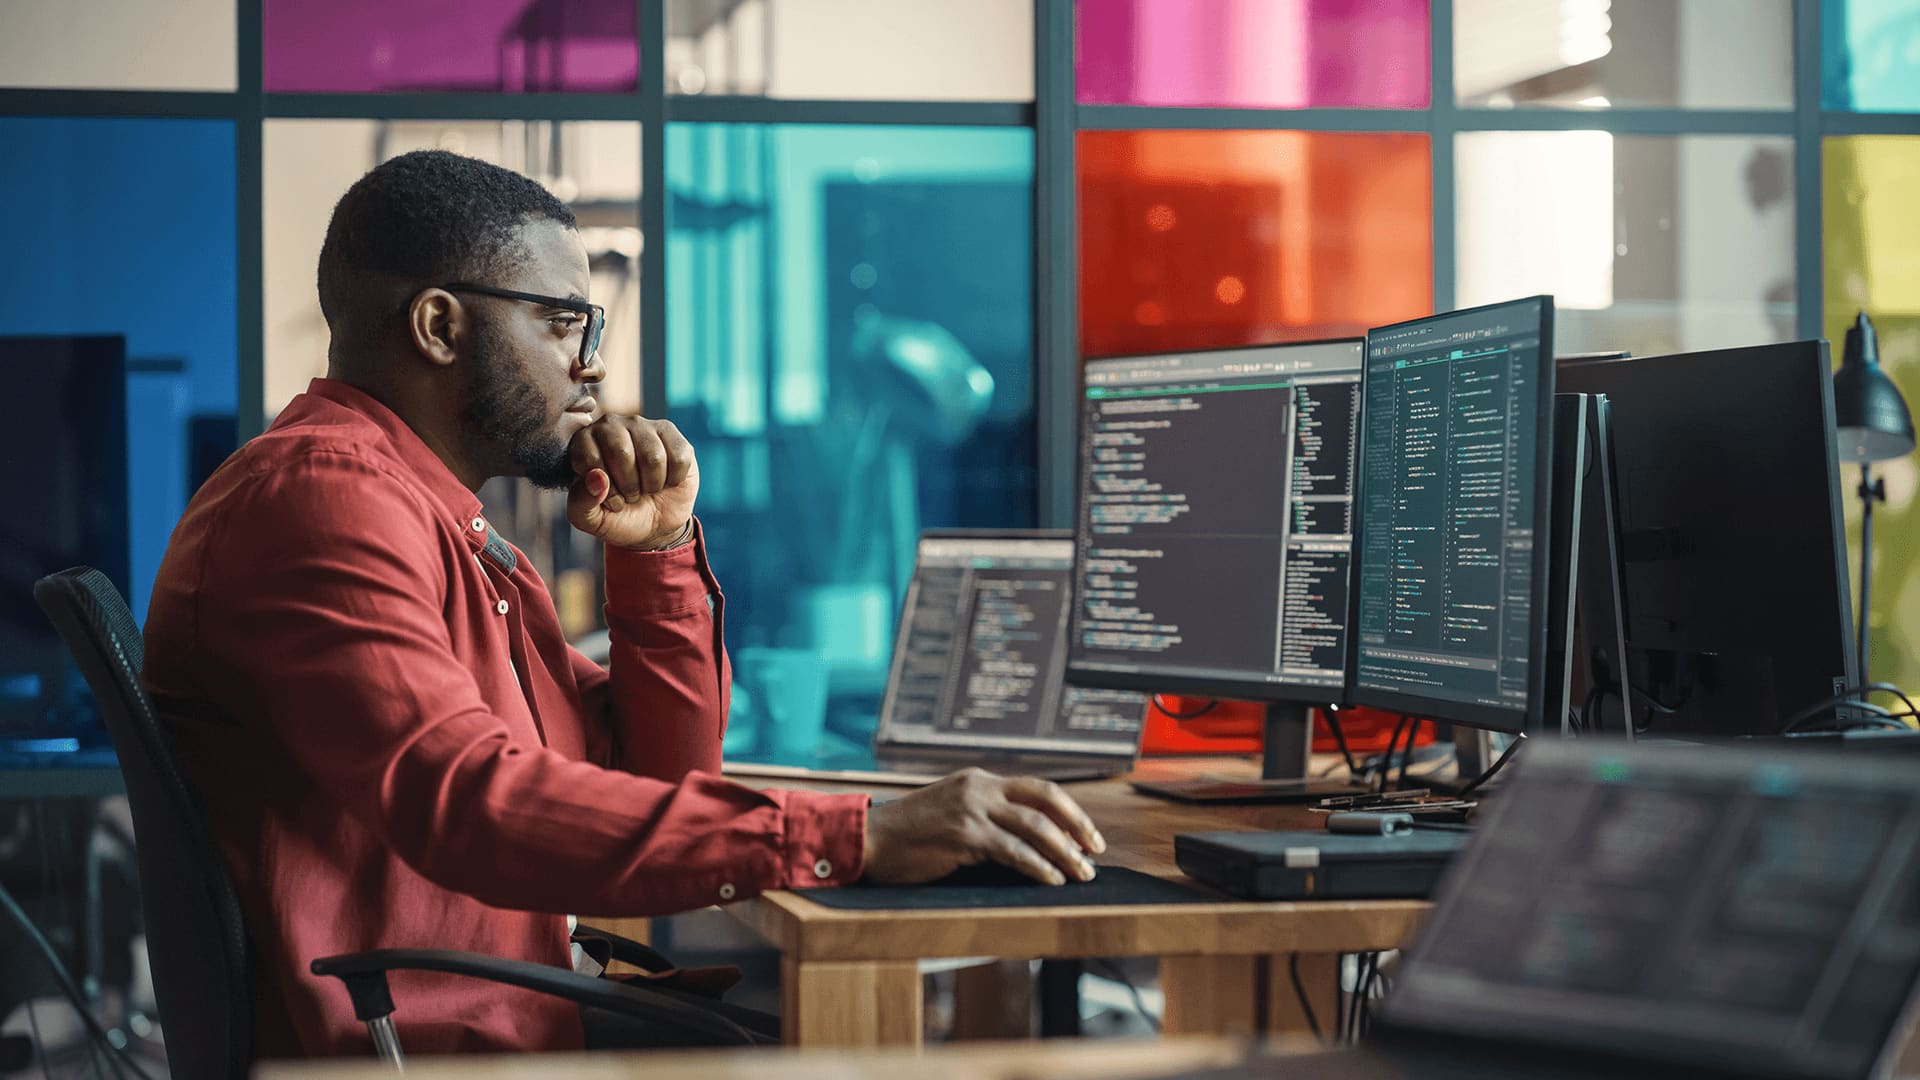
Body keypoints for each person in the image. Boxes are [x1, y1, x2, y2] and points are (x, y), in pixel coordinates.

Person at [141, 150, 1104, 1058]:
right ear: (439, 326)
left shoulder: (437, 521)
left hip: (501, 1016)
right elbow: (467, 803)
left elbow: (663, 770)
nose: (592, 366)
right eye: (564, 323)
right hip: (435, 1046)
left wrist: (659, 555)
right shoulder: (324, 500)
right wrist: (853, 834)